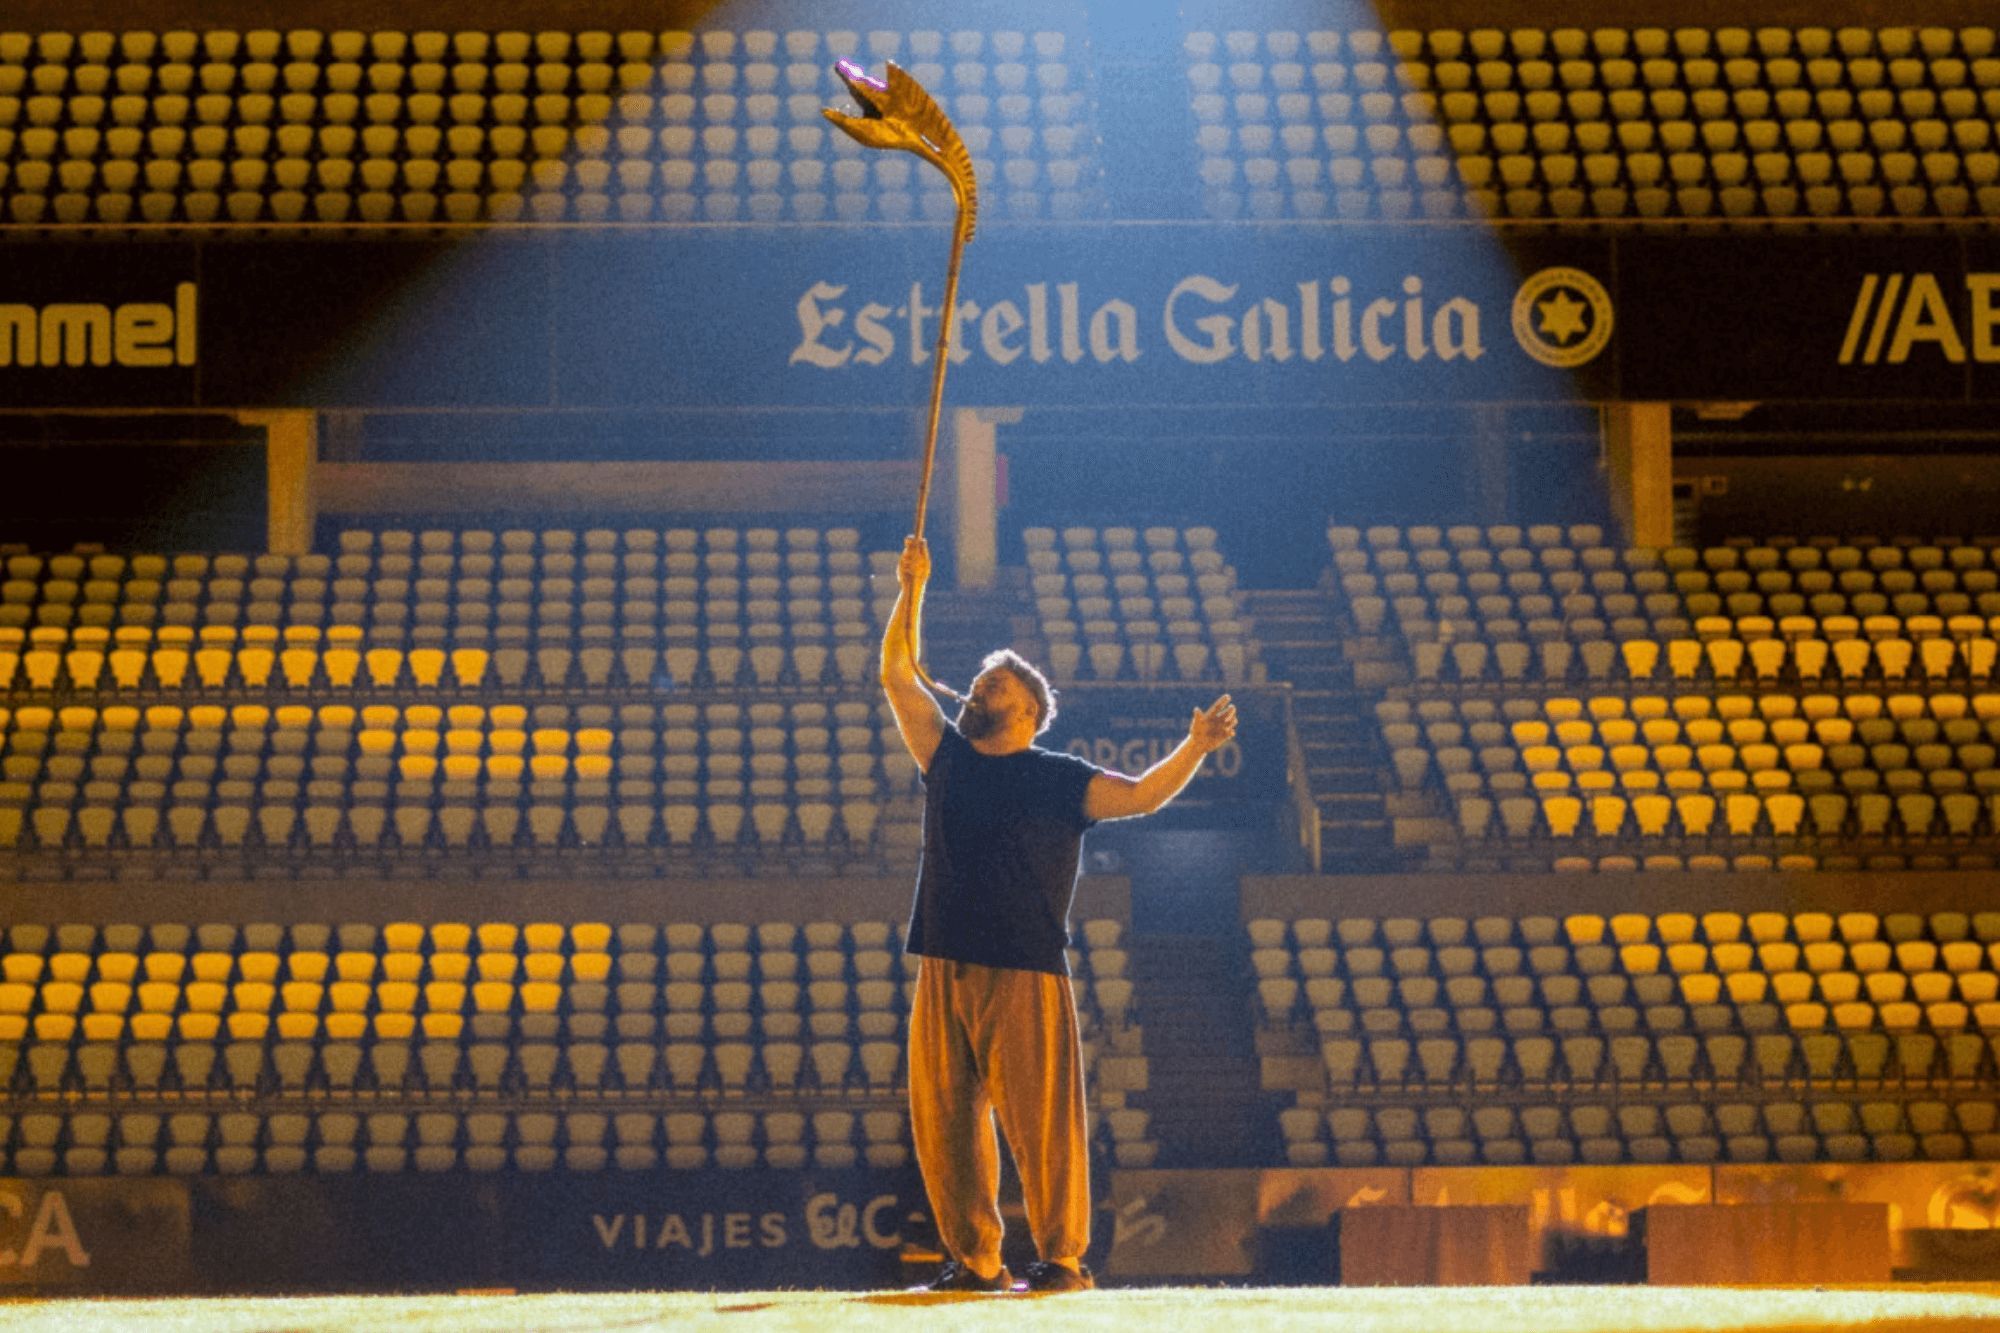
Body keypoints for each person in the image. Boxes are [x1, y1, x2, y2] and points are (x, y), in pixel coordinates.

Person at [880, 535, 1237, 1296]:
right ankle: (975, 1262)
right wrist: (913, 588)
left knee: (1041, 1123)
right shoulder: (945, 755)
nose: (976, 691)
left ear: (1031, 711)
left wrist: (1196, 746)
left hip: (1023, 966)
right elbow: (895, 675)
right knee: (945, 1127)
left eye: (992, 686)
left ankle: (1063, 1260)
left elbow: (1141, 793)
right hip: (944, 961)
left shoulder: (1059, 778)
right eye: (977, 682)